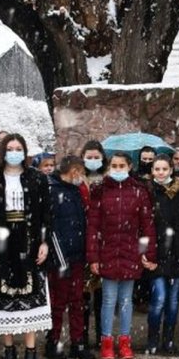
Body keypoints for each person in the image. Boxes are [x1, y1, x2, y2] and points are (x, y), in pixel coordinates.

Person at [0, 133, 53, 359]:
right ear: (2, 152)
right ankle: (8, 349)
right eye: (11, 148)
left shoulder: (36, 178)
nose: (15, 152)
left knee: (30, 297)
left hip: (28, 241)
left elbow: (46, 213)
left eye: (19, 148)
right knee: (3, 296)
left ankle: (30, 351)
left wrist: (44, 242)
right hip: (1, 242)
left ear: (25, 151)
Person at [86, 151, 157, 359]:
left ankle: (125, 341)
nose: (118, 170)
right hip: (107, 252)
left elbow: (147, 226)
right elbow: (93, 227)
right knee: (108, 300)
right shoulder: (100, 191)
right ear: (109, 168)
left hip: (130, 253)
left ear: (129, 167)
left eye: (121, 166)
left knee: (126, 301)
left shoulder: (139, 191)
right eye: (114, 166)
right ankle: (106, 341)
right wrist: (94, 257)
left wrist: (147, 253)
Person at [43, 156, 94, 359]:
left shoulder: (75, 191)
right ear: (73, 171)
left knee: (77, 301)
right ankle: (53, 341)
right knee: (58, 302)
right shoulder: (52, 191)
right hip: (60, 257)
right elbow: (50, 226)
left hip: (77, 255)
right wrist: (59, 255)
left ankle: (78, 342)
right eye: (80, 172)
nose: (82, 177)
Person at [147, 156, 179, 355]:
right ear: (152, 171)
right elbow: (143, 226)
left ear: (171, 169)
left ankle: (169, 339)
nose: (161, 172)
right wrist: (144, 253)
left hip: (177, 253)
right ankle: (152, 338)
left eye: (165, 168)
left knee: (173, 302)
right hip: (156, 253)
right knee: (159, 298)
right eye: (157, 169)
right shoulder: (148, 192)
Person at [78, 140, 107, 346]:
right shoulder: (77, 179)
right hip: (83, 240)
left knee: (102, 294)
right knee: (83, 294)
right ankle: (82, 335)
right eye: (89, 157)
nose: (93, 160)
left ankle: (101, 335)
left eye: (97, 157)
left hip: (105, 240)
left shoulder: (108, 179)